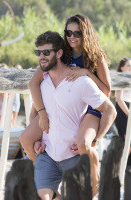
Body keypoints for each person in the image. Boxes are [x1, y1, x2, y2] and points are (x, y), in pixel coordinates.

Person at [20, 14, 111, 196]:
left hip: (92, 108)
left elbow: (106, 91)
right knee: (27, 139)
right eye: (68, 32)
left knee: (84, 143)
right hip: (64, 104)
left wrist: (86, 73)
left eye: (77, 32)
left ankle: (93, 183)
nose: (71, 37)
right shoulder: (63, 52)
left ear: (85, 33)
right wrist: (42, 114)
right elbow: (34, 83)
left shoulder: (95, 56)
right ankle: (46, 178)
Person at [115, 57, 131, 166]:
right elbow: (119, 99)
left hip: (128, 110)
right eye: (129, 66)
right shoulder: (120, 79)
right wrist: (129, 114)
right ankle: (116, 169)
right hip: (123, 111)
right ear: (122, 68)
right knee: (128, 143)